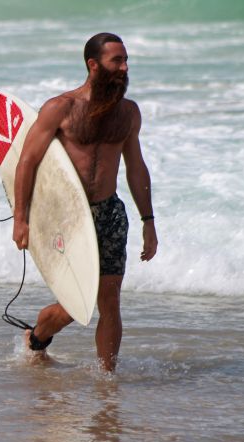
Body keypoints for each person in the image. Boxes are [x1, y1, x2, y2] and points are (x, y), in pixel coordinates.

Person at [12, 32, 158, 372]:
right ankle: (40, 334)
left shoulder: (128, 113)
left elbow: (136, 168)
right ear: (93, 65)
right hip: (68, 215)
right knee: (78, 300)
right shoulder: (61, 108)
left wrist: (148, 222)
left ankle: (107, 382)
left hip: (109, 213)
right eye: (116, 61)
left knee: (109, 300)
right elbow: (27, 162)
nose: (125, 68)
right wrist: (22, 218)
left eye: (126, 60)